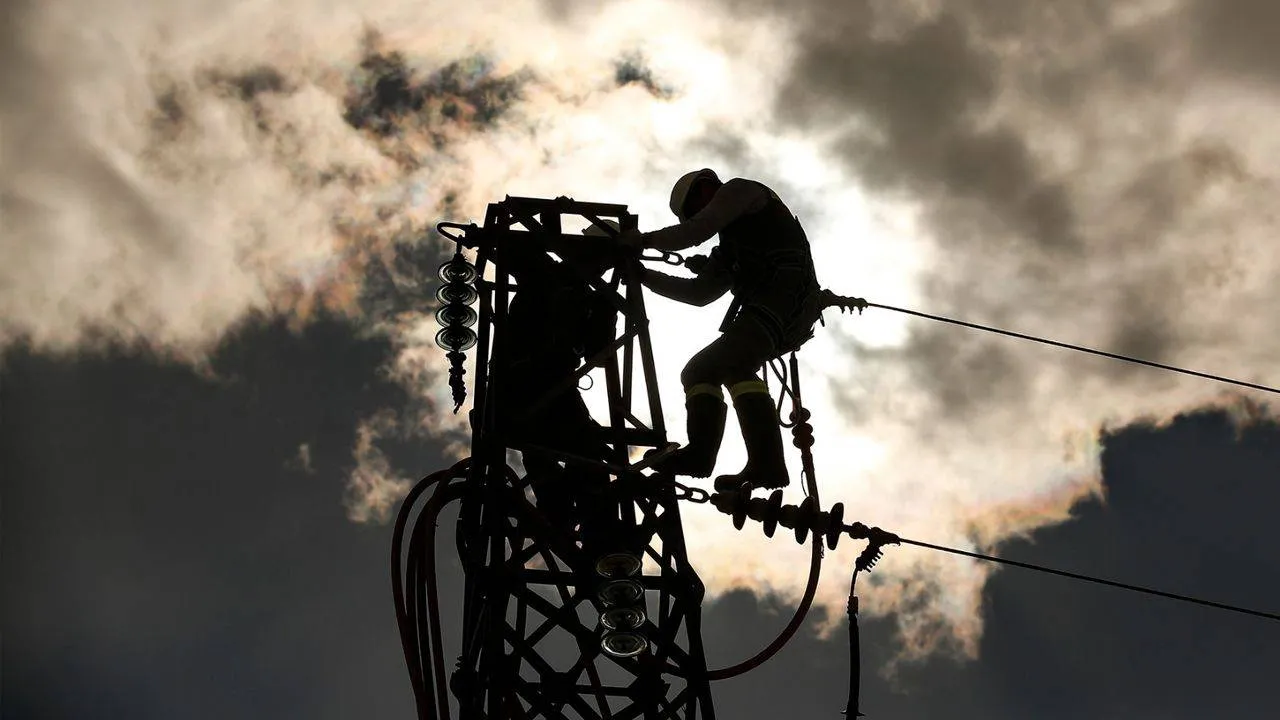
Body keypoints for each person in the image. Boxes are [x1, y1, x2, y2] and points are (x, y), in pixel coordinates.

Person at [620, 169, 825, 493]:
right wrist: (644, 276)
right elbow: (698, 293)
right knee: (709, 371)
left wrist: (643, 241)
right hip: (779, 309)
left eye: (695, 210)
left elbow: (695, 231)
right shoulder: (730, 247)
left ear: (704, 188)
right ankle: (757, 463)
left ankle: (725, 459)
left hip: (784, 299)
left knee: (719, 366)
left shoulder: (741, 190)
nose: (700, 215)